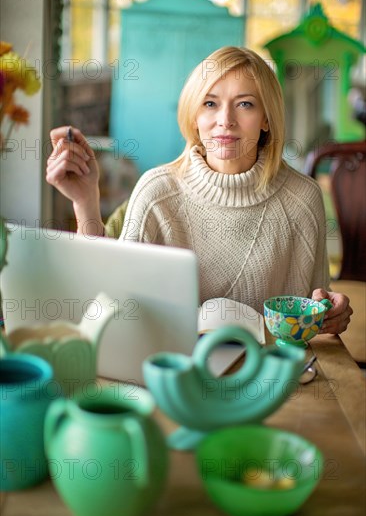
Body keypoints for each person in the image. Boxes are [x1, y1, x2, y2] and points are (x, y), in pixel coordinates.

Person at [46, 46, 352, 335]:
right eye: (210, 103)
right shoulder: (156, 192)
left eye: (245, 104)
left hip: (269, 379)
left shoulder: (303, 199)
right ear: (194, 117)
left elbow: (315, 311)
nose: (225, 121)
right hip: (171, 374)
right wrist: (85, 201)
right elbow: (108, 298)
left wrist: (330, 315)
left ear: (266, 120)